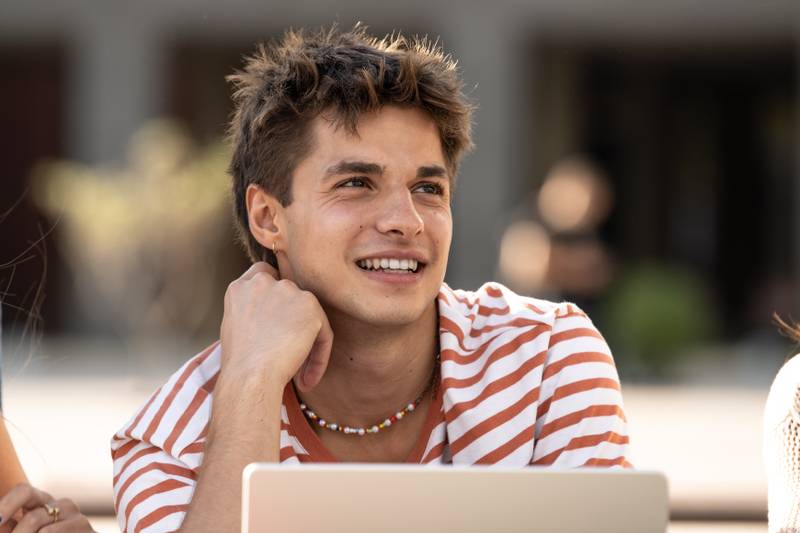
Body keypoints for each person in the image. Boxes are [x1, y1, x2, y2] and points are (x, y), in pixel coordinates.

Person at [111, 25, 631, 533]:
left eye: (428, 188)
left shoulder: (546, 360)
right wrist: (251, 381)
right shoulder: (169, 439)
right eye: (357, 183)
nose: (407, 220)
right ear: (269, 218)